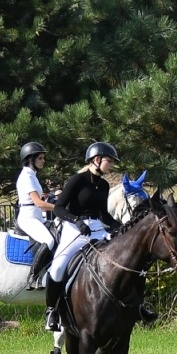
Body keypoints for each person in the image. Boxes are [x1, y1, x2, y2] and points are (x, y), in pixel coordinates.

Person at [44, 141, 119, 332]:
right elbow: (59, 207)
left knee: (122, 256)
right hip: (74, 228)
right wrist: (77, 221)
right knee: (58, 266)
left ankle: (134, 305)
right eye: (109, 161)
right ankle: (52, 311)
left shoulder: (104, 185)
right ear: (97, 159)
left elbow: (103, 214)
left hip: (98, 228)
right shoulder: (78, 180)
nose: (112, 165)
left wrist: (119, 227)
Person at [14, 141, 56, 288]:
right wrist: (57, 208)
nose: (43, 161)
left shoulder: (32, 175)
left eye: (43, 158)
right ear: (30, 159)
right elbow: (38, 203)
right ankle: (33, 276)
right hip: (28, 218)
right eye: (40, 158)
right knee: (49, 241)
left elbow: (38, 202)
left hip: (36, 215)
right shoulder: (26, 177)